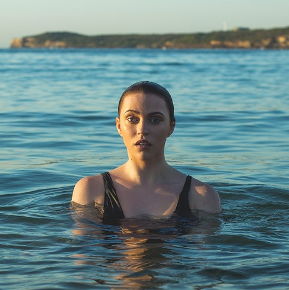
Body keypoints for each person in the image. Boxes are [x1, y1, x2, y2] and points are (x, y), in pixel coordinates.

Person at [72, 81, 221, 222]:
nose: (142, 130)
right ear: (118, 126)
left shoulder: (201, 197)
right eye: (132, 119)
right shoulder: (91, 190)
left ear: (171, 126)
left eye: (155, 120)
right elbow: (81, 247)